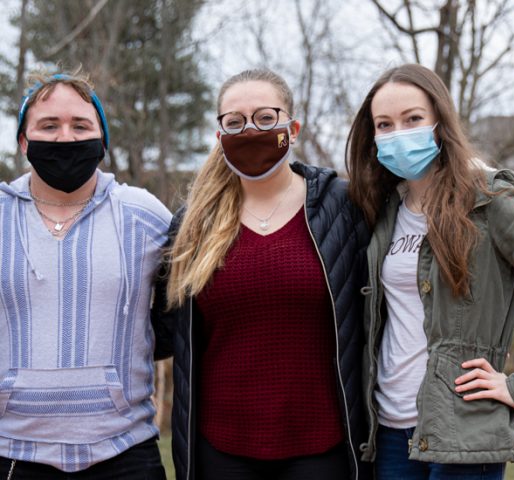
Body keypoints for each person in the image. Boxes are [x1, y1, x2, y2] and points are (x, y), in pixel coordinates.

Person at [345, 63, 514, 480]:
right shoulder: (382, 211)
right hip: (389, 430)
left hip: (464, 431)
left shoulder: (489, 201)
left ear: (439, 123)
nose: (399, 134)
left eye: (413, 119)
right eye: (384, 124)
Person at [152, 68, 372, 480]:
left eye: (266, 118)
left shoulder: (344, 208)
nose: (250, 130)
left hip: (323, 446)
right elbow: (164, 332)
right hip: (221, 449)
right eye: (234, 122)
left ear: (293, 127)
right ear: (219, 136)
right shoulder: (191, 226)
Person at [0, 70, 171, 479]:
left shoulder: (145, 215)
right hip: (13, 451)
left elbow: (182, 311)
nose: (65, 138)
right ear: (24, 141)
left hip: (124, 450)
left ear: (102, 141)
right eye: (48, 125)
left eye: (80, 125)